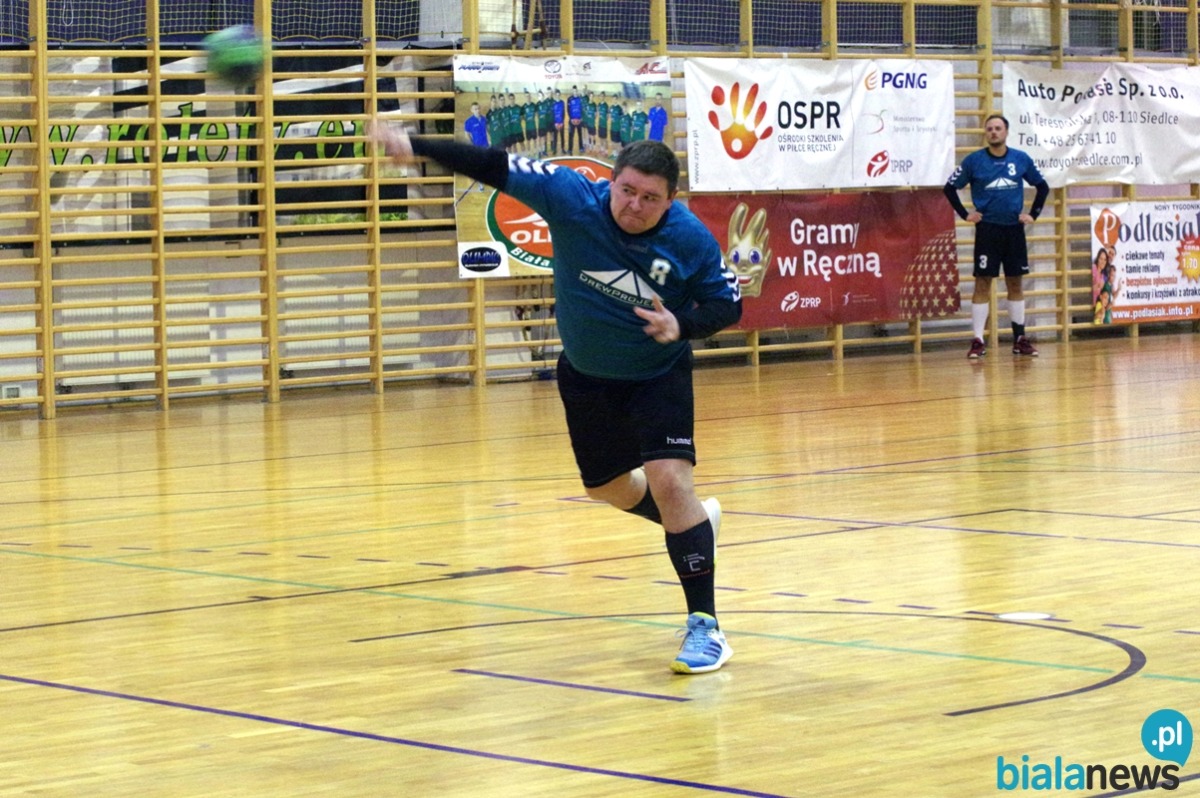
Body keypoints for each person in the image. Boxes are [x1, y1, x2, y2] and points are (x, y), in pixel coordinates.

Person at [370, 122, 742, 674]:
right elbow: (493, 165)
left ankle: (706, 627)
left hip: (656, 374)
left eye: (650, 198)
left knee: (669, 481)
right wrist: (416, 146)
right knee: (608, 488)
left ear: (670, 200)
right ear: (611, 182)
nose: (635, 206)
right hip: (587, 374)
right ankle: (691, 523)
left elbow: (727, 305)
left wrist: (681, 325)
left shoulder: (689, 239)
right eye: (627, 191)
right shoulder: (570, 196)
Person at [944, 113, 1049, 359]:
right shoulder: (974, 161)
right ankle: (978, 340)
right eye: (990, 128)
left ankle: (1019, 338)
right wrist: (965, 214)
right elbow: (949, 188)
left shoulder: (1020, 158)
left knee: (1015, 282)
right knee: (983, 283)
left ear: (1006, 132)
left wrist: (1033, 214)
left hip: (1013, 230)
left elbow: (1042, 186)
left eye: (998, 128)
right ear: (986, 133)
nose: (993, 132)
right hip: (987, 230)